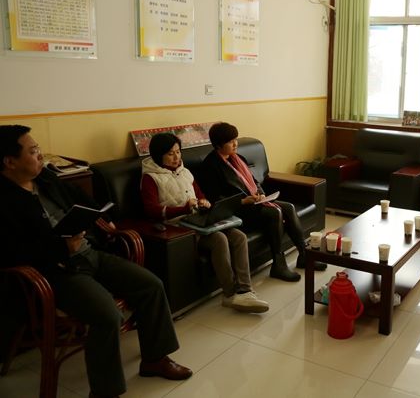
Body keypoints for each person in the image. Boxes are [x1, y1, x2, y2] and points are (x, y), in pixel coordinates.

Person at [0, 125, 192, 398]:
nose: (40, 155)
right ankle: (105, 391)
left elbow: (82, 199)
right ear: (9, 162)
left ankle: (155, 359)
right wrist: (60, 248)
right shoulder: (3, 201)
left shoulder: (45, 178)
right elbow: (11, 253)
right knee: (106, 315)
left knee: (151, 285)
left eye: (39, 148)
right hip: (55, 272)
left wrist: (101, 217)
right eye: (33, 151)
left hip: (89, 253)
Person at [140, 132, 269, 313]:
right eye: (170, 154)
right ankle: (230, 294)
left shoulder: (185, 172)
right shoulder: (150, 178)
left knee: (238, 236)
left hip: (198, 220)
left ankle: (245, 290)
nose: (176, 157)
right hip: (177, 227)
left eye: (178, 152)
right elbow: (151, 210)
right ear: (158, 155)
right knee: (219, 239)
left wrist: (203, 202)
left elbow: (200, 194)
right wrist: (184, 208)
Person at [197, 122, 326, 283]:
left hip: (254, 203)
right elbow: (216, 200)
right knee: (275, 212)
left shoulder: (238, 158)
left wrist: (261, 194)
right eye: (230, 141)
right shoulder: (210, 166)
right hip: (237, 210)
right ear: (218, 144)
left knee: (288, 207)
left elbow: (254, 182)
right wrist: (244, 201)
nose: (235, 144)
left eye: (236, 139)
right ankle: (278, 264)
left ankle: (304, 255)